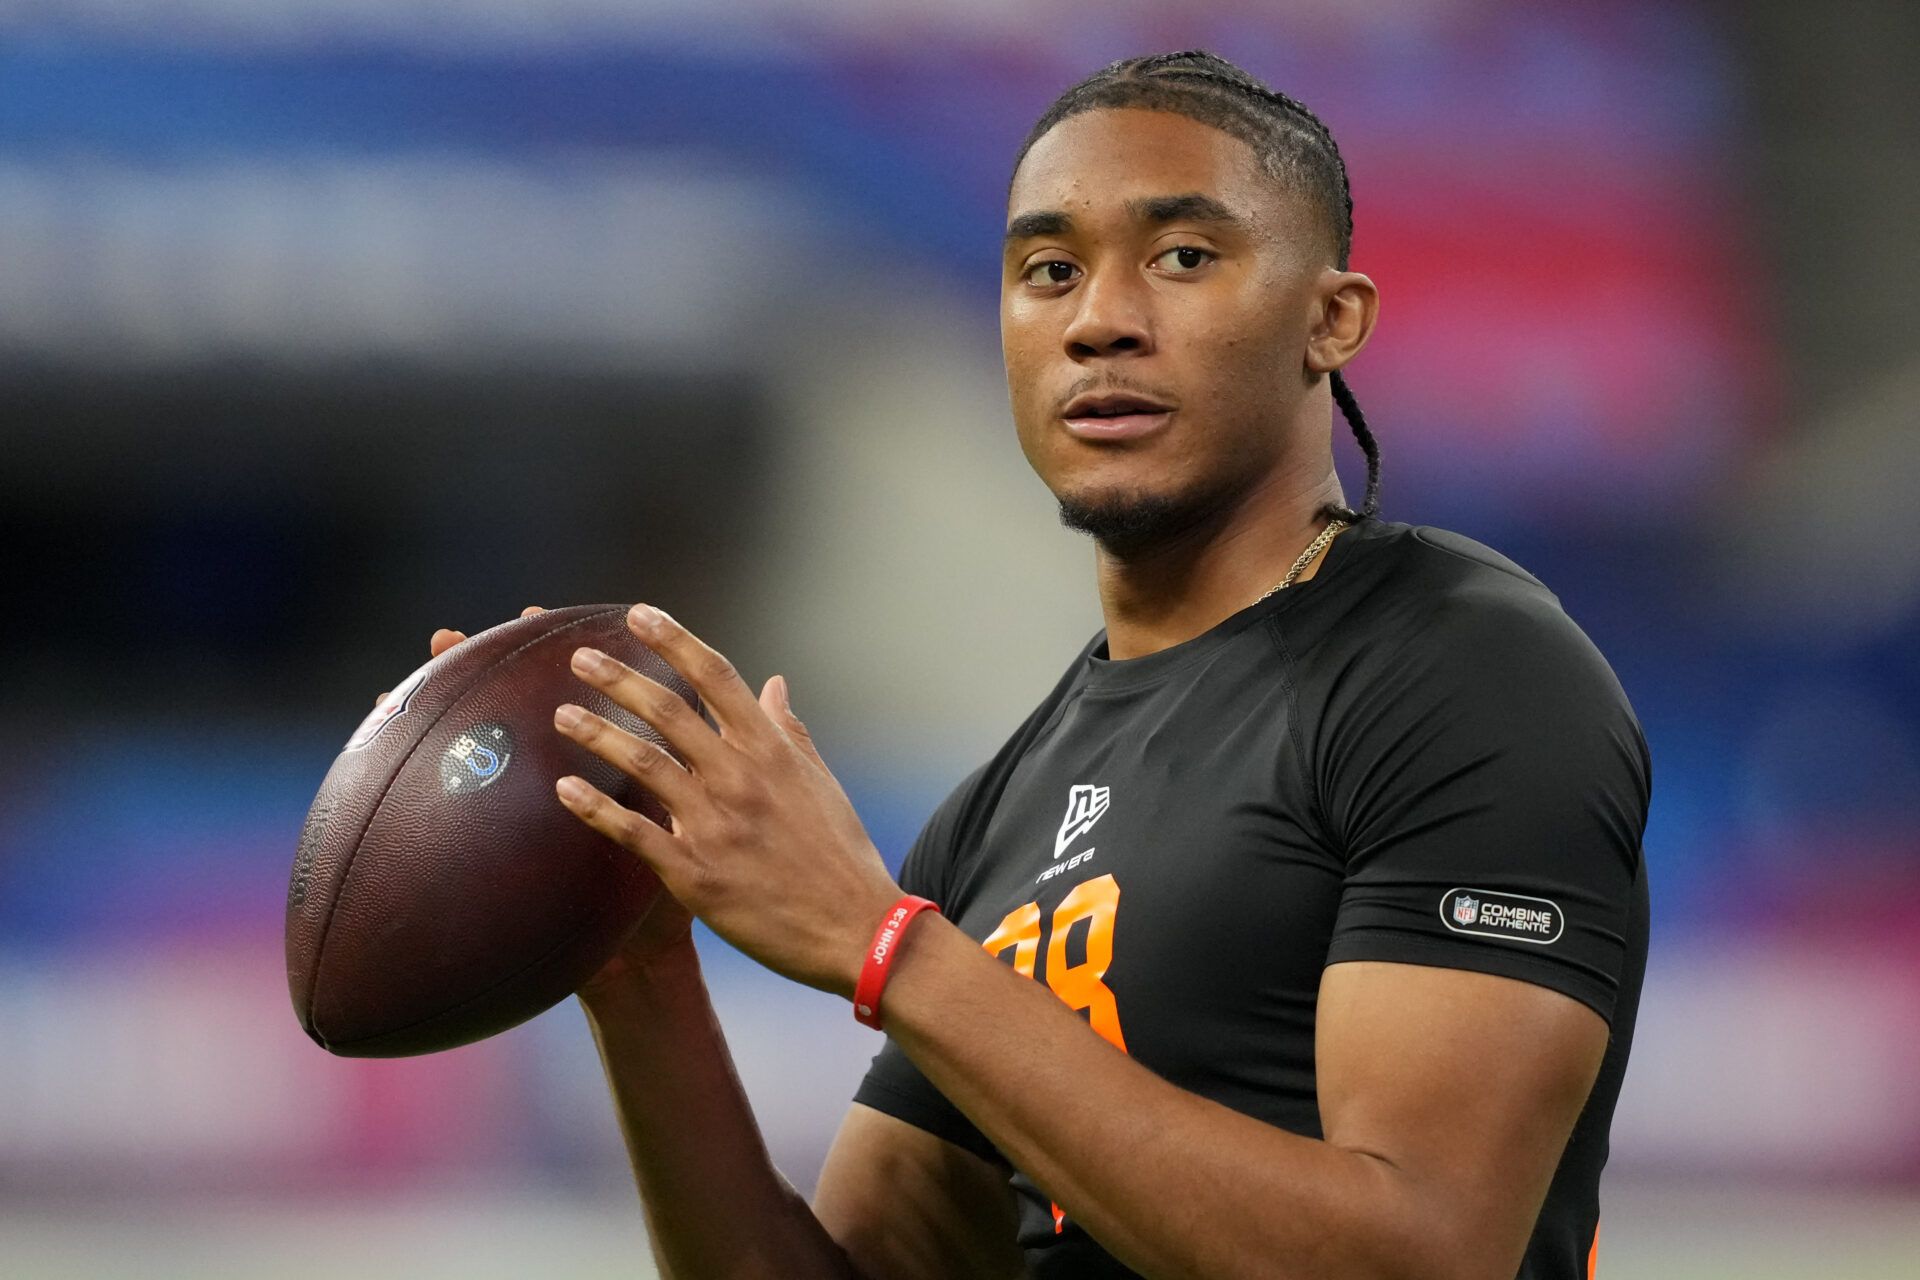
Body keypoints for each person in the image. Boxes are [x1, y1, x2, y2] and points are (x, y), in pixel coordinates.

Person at [430, 50, 1649, 1280]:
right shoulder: (997, 816)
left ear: (1330, 319)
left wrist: (890, 946)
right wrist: (642, 985)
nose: (1099, 319)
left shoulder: (1461, 666)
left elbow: (1425, 1258)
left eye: (1182, 255)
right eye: (1047, 271)